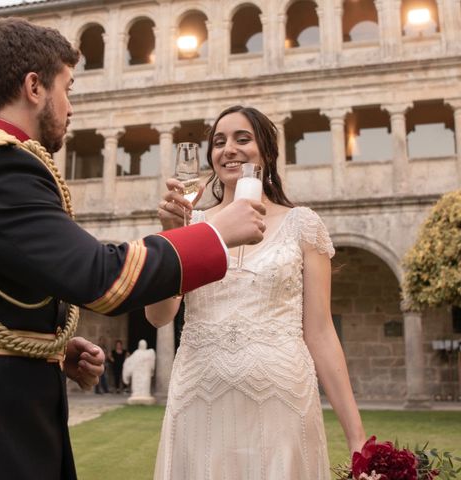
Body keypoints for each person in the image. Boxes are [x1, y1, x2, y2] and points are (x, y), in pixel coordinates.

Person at [0, 20, 268, 480]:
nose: (71, 107)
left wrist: (46, 347)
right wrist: (215, 234)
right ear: (34, 87)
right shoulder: (5, 166)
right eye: (67, 88)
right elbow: (104, 279)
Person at [146, 105, 366, 479]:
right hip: (201, 402)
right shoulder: (191, 224)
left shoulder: (303, 225)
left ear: (266, 150)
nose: (227, 148)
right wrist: (171, 239)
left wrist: (358, 437)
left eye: (241, 139)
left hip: (282, 401)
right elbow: (159, 316)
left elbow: (321, 333)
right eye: (218, 142)